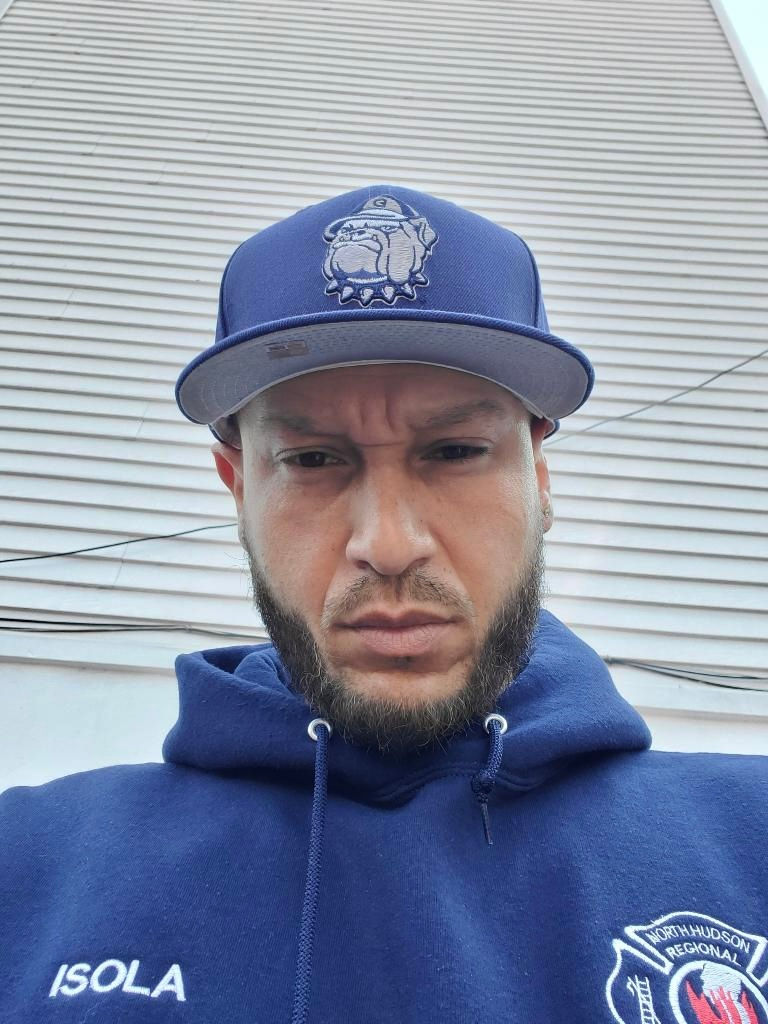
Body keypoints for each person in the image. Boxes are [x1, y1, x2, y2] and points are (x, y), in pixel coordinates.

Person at [2, 186, 767, 1024]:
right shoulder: (29, 870)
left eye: (456, 450)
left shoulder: (750, 841)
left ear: (540, 478)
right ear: (239, 489)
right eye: (313, 459)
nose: (390, 544)